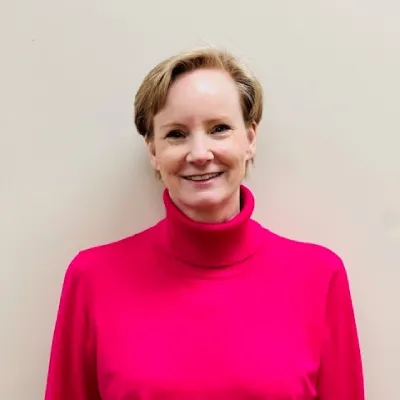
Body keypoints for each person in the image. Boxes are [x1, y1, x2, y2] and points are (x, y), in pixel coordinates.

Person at [44, 47, 364, 399]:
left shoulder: (319, 277)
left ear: (250, 139)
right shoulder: (92, 278)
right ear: (153, 151)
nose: (199, 153)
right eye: (176, 134)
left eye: (219, 128)